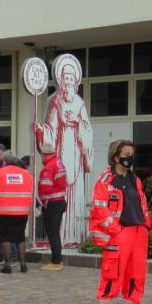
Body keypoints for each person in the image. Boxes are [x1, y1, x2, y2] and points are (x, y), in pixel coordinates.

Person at [89, 140, 151, 304]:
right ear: (116, 157)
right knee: (113, 273)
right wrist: (115, 230)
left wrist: (146, 225)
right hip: (120, 233)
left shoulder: (135, 179)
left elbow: (142, 204)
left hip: (138, 233)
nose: (129, 158)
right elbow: (100, 209)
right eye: (126, 155)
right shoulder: (106, 180)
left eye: (131, 154)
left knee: (136, 274)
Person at [34, 55, 93, 245]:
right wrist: (41, 130)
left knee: (75, 194)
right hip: (60, 153)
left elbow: (88, 129)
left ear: (75, 81)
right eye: (65, 78)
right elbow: (50, 127)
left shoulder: (79, 103)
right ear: (61, 80)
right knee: (61, 190)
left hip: (75, 151)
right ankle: (61, 237)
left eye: (70, 79)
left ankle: (76, 236)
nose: (67, 82)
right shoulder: (55, 102)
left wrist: (77, 123)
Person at [0, 151, 33, 274]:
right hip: (22, 211)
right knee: (20, 238)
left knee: (5, 238)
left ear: (4, 161)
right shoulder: (26, 174)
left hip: (4, 211)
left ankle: (7, 266)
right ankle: (23, 265)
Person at [38, 142, 67, 271]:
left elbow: (46, 188)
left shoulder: (48, 167)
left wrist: (43, 202)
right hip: (60, 201)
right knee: (55, 232)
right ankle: (57, 259)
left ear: (44, 154)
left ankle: (56, 261)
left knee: (52, 232)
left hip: (52, 203)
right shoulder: (59, 163)